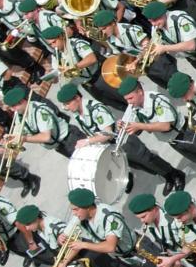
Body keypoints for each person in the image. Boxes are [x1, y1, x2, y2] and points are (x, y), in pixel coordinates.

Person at [55, 83, 186, 196]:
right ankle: (166, 176)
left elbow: (108, 134)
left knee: (148, 159)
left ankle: (175, 174)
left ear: (77, 98)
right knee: (139, 165)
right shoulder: (79, 115)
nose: (66, 107)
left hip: (125, 141)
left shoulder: (95, 109)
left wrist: (88, 141)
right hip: (113, 147)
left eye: (67, 103)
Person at [58, 188, 161, 267]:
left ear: (87, 207)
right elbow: (69, 239)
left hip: (138, 249)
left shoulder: (109, 217)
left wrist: (84, 245)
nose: (74, 213)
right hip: (121, 255)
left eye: (76, 210)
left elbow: (109, 246)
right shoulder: (80, 217)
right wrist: (63, 256)